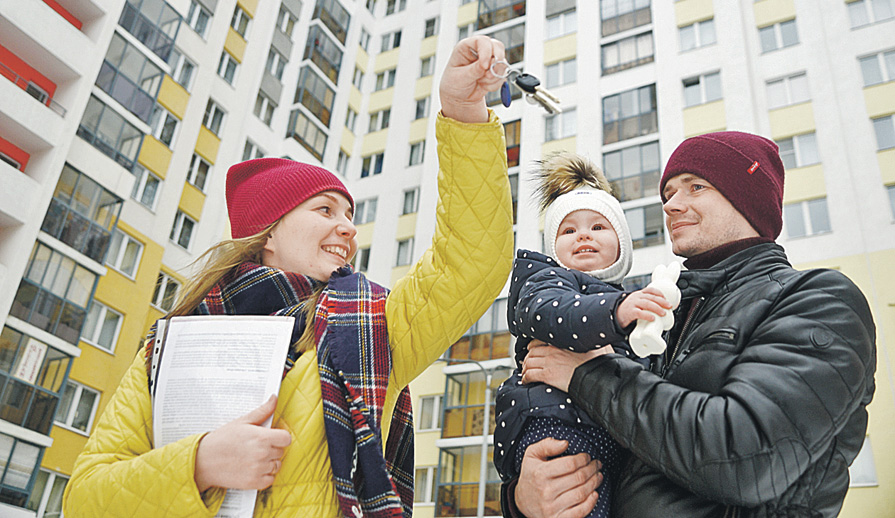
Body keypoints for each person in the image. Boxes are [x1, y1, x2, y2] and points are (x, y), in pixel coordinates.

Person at [63, 36, 515, 518]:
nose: (349, 228)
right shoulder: (168, 349)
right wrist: (199, 464)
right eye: (325, 210)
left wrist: (462, 112)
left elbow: (471, 260)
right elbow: (84, 498)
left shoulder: (372, 326)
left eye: (349, 215)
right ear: (269, 233)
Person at [506, 131, 877, 518]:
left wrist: (587, 374)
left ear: (746, 196)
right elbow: (626, 444)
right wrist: (523, 498)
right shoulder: (667, 313)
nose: (671, 205)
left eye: (695, 186)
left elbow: (746, 458)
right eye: (667, 195)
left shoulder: (820, 300)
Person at [492, 153, 672, 518]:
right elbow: (557, 314)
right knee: (575, 503)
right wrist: (617, 312)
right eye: (568, 230)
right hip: (555, 423)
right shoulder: (547, 281)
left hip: (611, 434)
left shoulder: (629, 302)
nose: (583, 235)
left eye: (598, 226)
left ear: (622, 245)